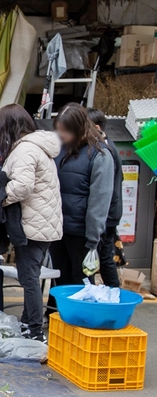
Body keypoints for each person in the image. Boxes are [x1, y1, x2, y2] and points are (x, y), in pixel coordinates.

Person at [0, 104, 63, 342]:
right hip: (43, 223)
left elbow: (22, 187)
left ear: (9, 127)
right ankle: (28, 323)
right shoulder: (37, 146)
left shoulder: (25, 150)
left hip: (33, 225)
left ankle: (35, 331)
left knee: (29, 279)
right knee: (30, 276)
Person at [50, 104, 114, 292]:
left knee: (80, 282)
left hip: (82, 234)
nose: (61, 135)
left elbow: (99, 201)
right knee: (59, 280)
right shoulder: (59, 150)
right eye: (58, 130)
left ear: (78, 128)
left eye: (65, 131)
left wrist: (93, 239)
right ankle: (56, 317)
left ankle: (79, 320)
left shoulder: (100, 155)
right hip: (58, 229)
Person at [87, 108, 123, 288]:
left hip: (107, 213)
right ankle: (112, 293)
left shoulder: (104, 150)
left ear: (96, 127)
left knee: (100, 257)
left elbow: (107, 189)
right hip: (110, 212)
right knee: (104, 256)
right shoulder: (107, 146)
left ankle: (112, 293)